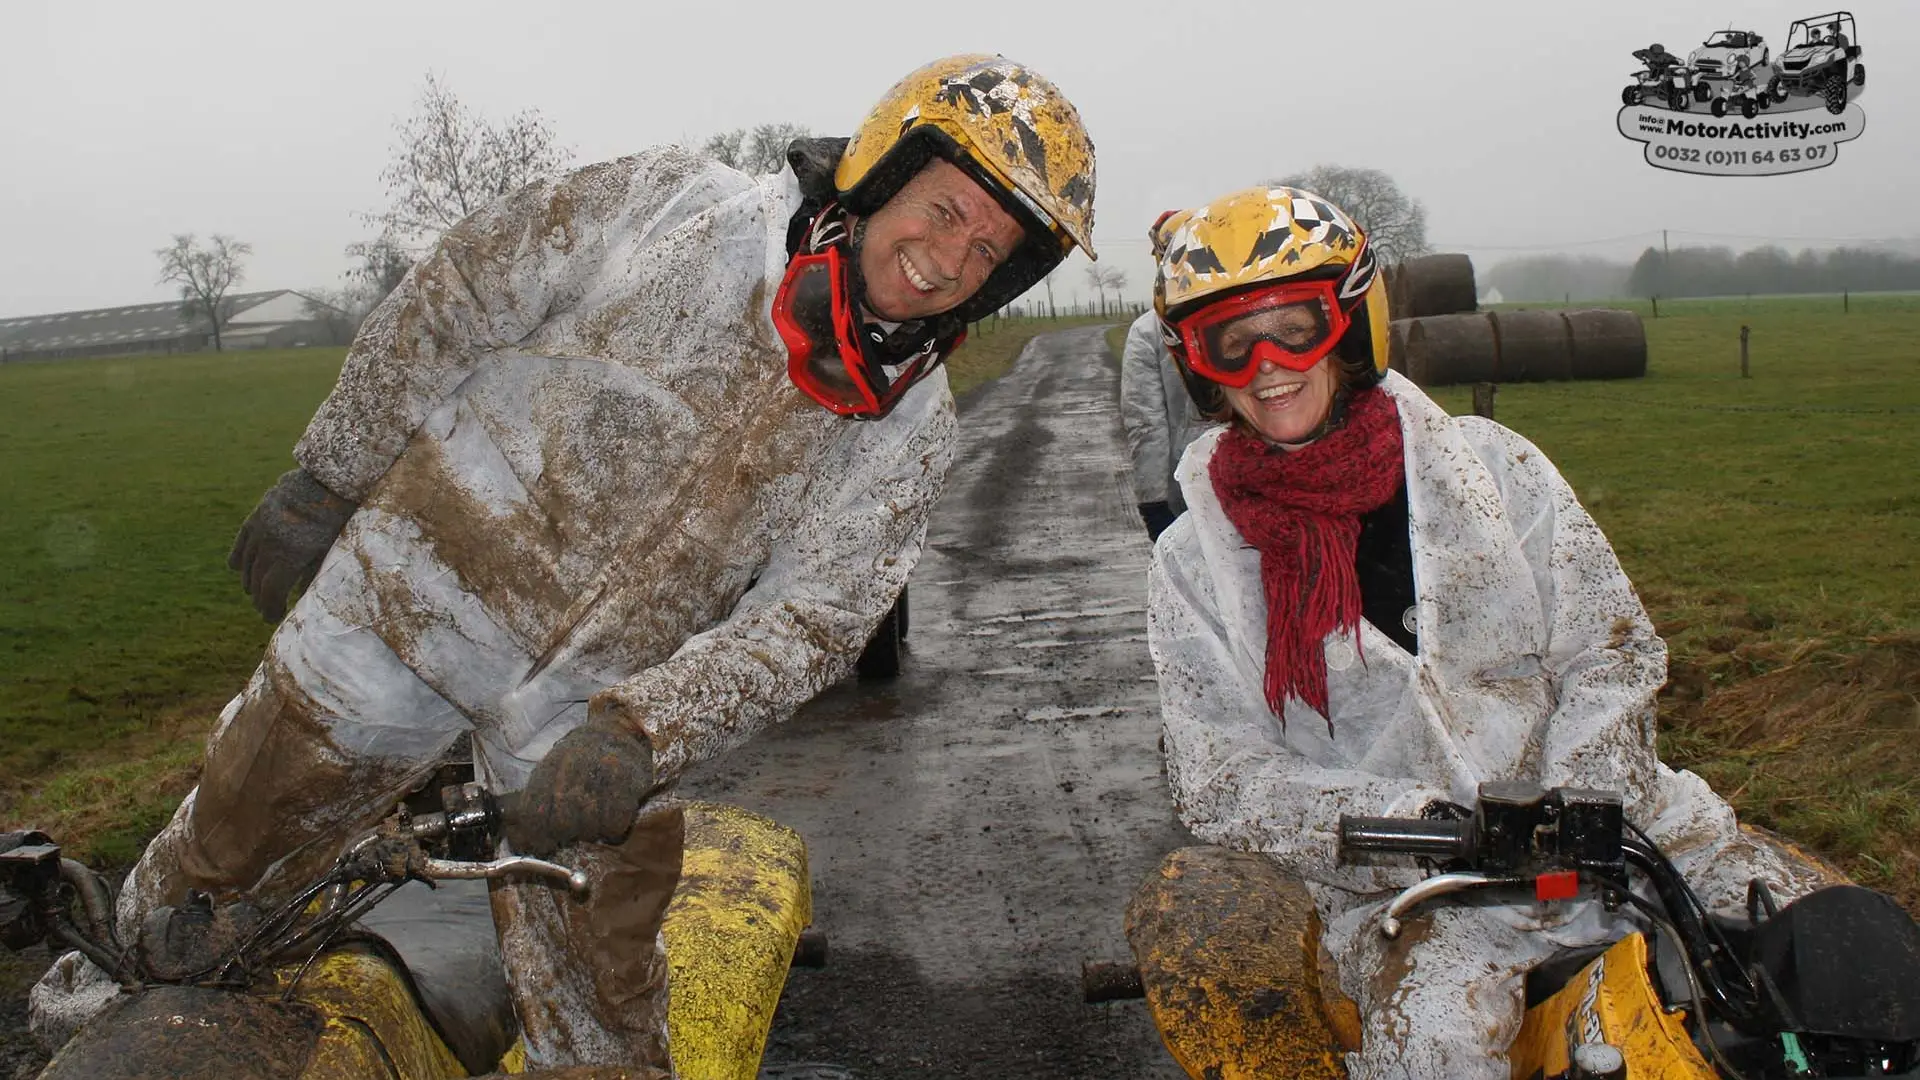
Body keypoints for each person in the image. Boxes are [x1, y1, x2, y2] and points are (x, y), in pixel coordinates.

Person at [31, 54, 1097, 1073]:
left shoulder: (909, 427)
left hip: (595, 712)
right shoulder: (669, 208)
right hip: (404, 598)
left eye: (987, 251)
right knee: (210, 885)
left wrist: (646, 730)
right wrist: (328, 475)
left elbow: (816, 621)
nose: (948, 259)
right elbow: (460, 291)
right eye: (943, 210)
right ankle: (99, 1020)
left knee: (604, 1014)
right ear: (878, 170)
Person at [1142, 187, 1826, 1079]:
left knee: (1841, 957)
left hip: (1630, 841)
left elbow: (1610, 650)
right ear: (1197, 366)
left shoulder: (1496, 470)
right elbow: (1218, 776)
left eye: (1294, 329)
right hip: (1419, 899)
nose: (1267, 366)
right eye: (1231, 343)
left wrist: (1580, 801)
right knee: (1435, 1046)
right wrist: (1419, 826)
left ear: (1353, 324)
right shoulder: (1194, 561)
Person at [1119, 212, 1213, 542]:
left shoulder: (1147, 331)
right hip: (1251, 485)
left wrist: (1152, 500)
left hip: (1184, 490)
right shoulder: (1237, 313)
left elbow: (1146, 423)